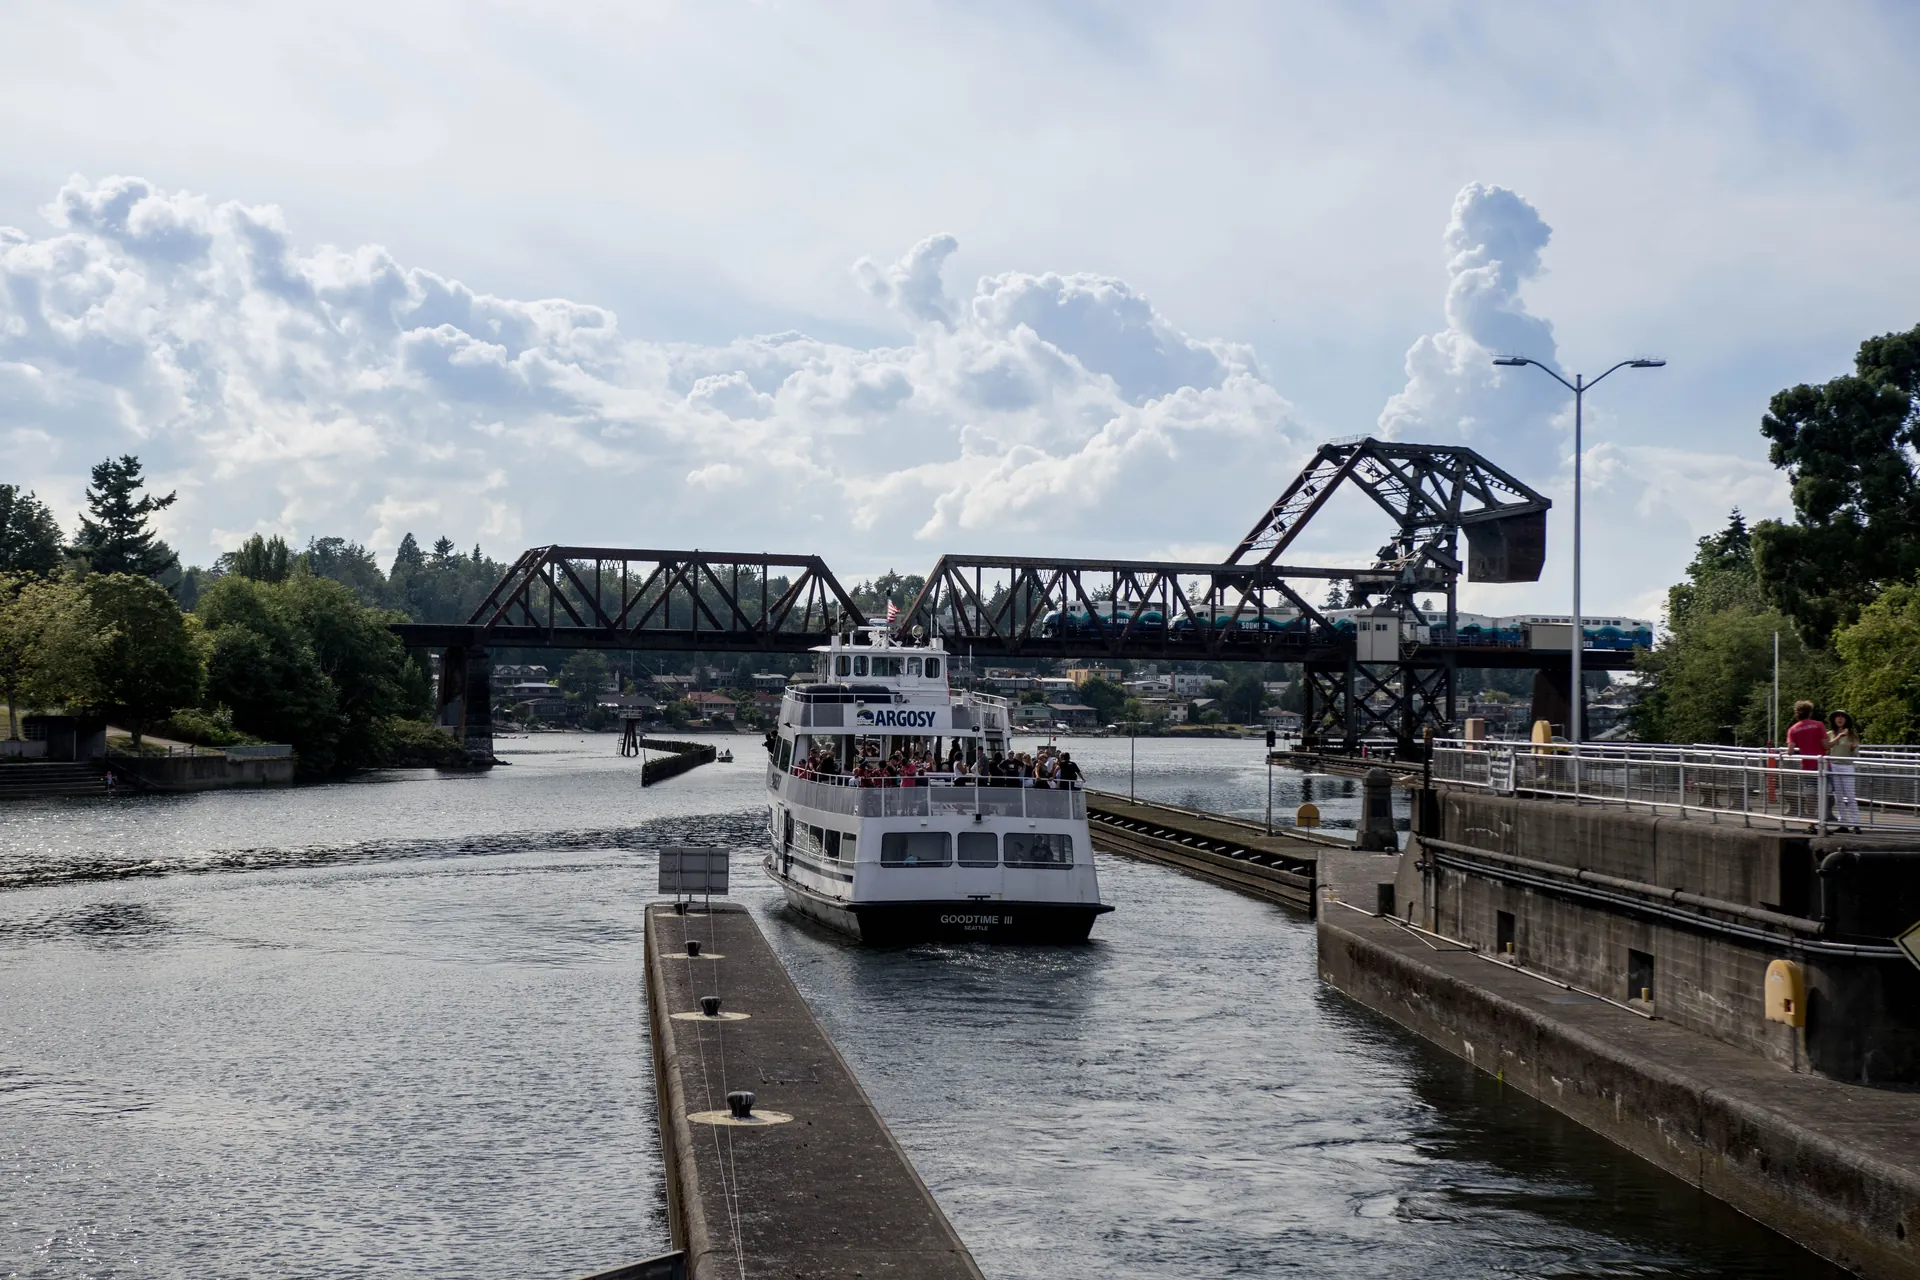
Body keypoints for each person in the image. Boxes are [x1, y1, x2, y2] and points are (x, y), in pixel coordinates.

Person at [1786, 701, 1826, 818]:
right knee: (1823, 794)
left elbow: (1790, 751)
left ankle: (1812, 822)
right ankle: (1823, 820)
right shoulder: (1819, 725)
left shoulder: (1793, 729)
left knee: (1810, 796)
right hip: (1822, 765)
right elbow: (1826, 746)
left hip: (1808, 767)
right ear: (1810, 713)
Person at [1827, 710, 1861, 831]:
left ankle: (1856, 824)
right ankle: (1843, 823)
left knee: (1850, 795)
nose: (1840, 719)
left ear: (1846, 720)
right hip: (1834, 766)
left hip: (1847, 766)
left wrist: (1852, 749)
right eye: (1837, 717)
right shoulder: (1830, 734)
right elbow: (1827, 749)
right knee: (1839, 797)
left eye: (1842, 717)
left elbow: (1856, 754)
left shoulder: (1852, 734)